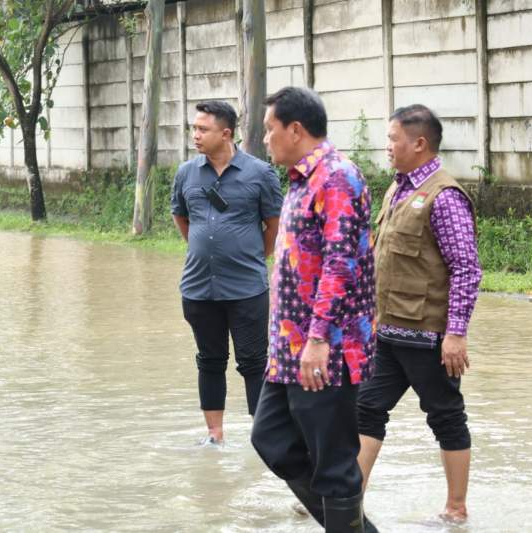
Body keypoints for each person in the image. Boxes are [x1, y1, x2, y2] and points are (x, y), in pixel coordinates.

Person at [250, 86, 378, 533]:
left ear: (296, 129)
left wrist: (320, 339)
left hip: (325, 351)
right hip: (290, 350)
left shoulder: (337, 176)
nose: (266, 139)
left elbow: (341, 263)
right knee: (270, 438)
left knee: (335, 463)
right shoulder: (302, 180)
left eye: (270, 130)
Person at [356, 104, 482, 523]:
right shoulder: (397, 189)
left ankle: (456, 510)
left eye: (393, 138)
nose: (387, 146)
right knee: (365, 409)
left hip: (429, 339)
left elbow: (466, 268)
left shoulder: (443, 197)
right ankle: (346, 498)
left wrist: (456, 334)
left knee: (445, 416)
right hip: (387, 333)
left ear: (419, 143)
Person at [171, 100, 283, 445]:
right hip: (198, 287)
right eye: (194, 128)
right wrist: (205, 251)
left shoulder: (260, 174)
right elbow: (181, 216)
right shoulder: (187, 173)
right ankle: (214, 436)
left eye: (202, 129)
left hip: (247, 288)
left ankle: (262, 437)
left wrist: (249, 257)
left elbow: (274, 225)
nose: (195, 135)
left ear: (226, 133)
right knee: (209, 359)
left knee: (253, 362)